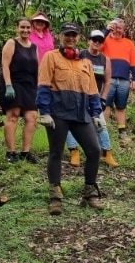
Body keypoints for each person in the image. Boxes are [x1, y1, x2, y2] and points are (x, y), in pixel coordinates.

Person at [36, 22, 104, 215]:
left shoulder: (85, 62)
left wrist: (96, 113)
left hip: (81, 114)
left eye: (74, 35)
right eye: (67, 35)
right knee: (56, 153)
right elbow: (43, 85)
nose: (71, 38)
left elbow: (92, 90)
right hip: (58, 113)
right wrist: (45, 111)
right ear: (60, 36)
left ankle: (90, 192)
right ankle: (55, 197)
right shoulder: (51, 57)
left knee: (93, 150)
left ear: (79, 38)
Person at [66, 30, 119, 168]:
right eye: (94, 39)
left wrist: (103, 98)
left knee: (101, 124)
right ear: (89, 40)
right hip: (77, 94)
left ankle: (107, 152)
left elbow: (107, 81)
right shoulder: (81, 54)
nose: (96, 43)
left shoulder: (104, 59)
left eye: (100, 41)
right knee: (70, 123)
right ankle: (74, 151)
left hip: (94, 96)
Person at [0, 17, 39, 164]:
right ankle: (11, 152)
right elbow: (5, 65)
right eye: (22, 27)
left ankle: (25, 152)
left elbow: (36, 69)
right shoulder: (11, 43)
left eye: (28, 28)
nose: (25, 30)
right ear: (17, 28)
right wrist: (8, 85)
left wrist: (38, 87)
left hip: (29, 85)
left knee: (32, 117)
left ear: (31, 29)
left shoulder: (34, 47)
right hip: (13, 82)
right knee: (13, 115)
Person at [101, 18, 135, 143]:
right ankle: (102, 131)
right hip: (108, 79)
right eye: (115, 27)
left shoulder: (129, 43)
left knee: (121, 106)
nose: (118, 30)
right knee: (105, 105)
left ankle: (122, 132)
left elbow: (134, 62)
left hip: (123, 79)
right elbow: (96, 44)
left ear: (124, 29)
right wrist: (106, 30)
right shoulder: (105, 40)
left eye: (120, 28)